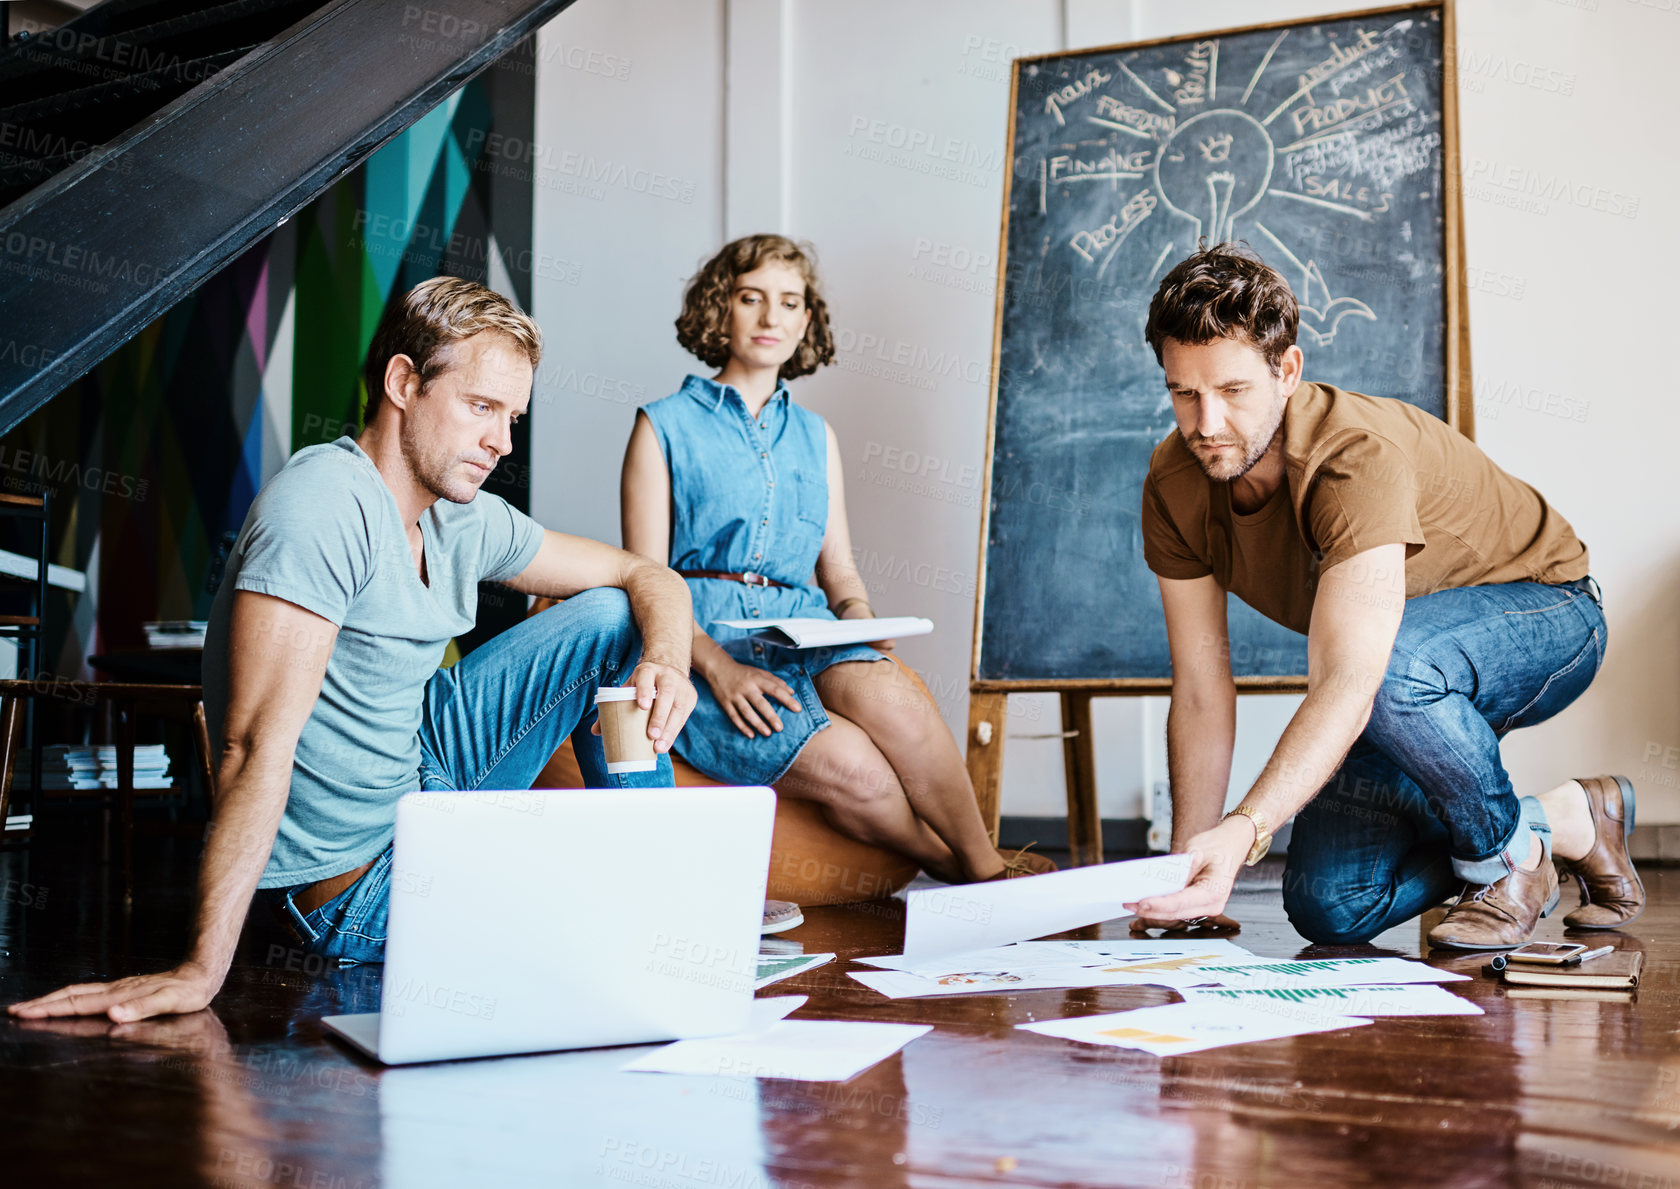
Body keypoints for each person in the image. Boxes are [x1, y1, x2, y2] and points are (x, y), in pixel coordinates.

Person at [9, 277, 699, 1023]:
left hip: (424, 773)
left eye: (513, 416)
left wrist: (667, 659)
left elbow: (645, 574)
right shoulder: (323, 509)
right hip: (355, 882)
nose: (502, 441)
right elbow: (250, 745)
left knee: (611, 616)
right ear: (404, 382)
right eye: (481, 407)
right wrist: (200, 970)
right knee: (587, 916)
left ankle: (654, 879)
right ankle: (646, 905)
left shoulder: (458, 516)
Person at [1126, 244, 1641, 950]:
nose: (1206, 422)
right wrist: (1191, 870)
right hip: (1404, 670)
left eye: (1233, 390)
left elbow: (1351, 681)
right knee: (1333, 904)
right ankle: (1567, 818)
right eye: (1184, 392)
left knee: (1394, 667)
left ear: (1287, 371)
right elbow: (1201, 686)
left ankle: (1511, 862)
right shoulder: (1174, 482)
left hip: (1549, 612)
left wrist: (1245, 828)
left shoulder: (1353, 459)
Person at [621, 234, 1052, 884]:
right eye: (750, 298)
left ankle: (984, 858)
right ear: (721, 307)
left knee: (896, 698)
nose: (771, 317)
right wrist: (718, 670)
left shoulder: (817, 437)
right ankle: (956, 866)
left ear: (805, 320)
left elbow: (841, 571)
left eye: (789, 302)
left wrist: (862, 619)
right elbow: (647, 580)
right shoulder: (661, 426)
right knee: (855, 767)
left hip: (809, 632)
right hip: (705, 645)